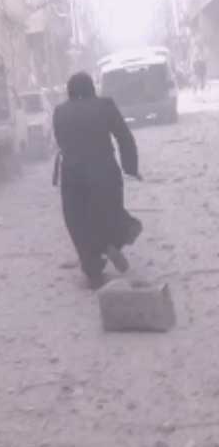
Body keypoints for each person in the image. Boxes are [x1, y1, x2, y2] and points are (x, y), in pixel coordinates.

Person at [53, 72, 143, 289]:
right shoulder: (105, 105)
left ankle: (93, 269)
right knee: (109, 212)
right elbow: (123, 136)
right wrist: (131, 167)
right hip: (103, 171)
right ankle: (111, 242)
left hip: (72, 174)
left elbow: (60, 140)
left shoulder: (60, 112)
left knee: (77, 220)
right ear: (92, 87)